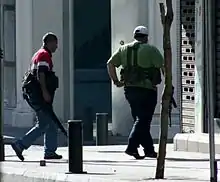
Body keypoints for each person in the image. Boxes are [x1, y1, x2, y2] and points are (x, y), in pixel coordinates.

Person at [107, 26, 164, 159]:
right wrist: (168, 85)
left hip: (130, 90)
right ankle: (132, 146)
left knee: (140, 119)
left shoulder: (123, 49)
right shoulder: (151, 50)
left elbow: (110, 64)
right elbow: (163, 66)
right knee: (144, 119)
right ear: (146, 37)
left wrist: (116, 81)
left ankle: (149, 149)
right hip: (147, 90)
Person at [11, 32, 62, 161]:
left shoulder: (39, 54)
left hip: (35, 94)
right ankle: (20, 145)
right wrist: (45, 92)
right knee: (44, 123)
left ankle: (50, 151)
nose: (57, 46)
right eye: (55, 43)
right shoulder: (44, 55)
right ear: (49, 43)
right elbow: (41, 73)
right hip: (38, 95)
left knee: (50, 123)